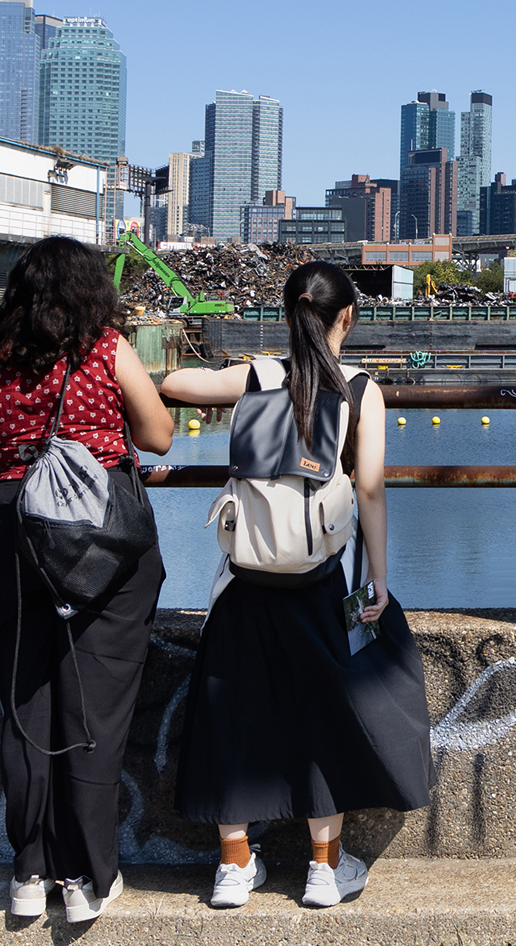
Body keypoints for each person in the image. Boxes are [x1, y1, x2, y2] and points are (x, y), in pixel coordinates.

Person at [162, 261, 435, 910]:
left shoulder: (257, 376)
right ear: (348, 318)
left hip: (246, 578)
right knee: (324, 717)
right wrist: (379, 578)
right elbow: (369, 490)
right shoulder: (362, 388)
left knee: (231, 716)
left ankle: (233, 867)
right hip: (316, 583)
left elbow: (174, 380)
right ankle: (323, 868)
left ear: (289, 315)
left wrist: (238, 375)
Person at [0, 236, 173, 923]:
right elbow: (160, 435)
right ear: (91, 293)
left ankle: (28, 870)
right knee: (95, 710)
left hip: (14, 536)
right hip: (101, 543)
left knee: (26, 705)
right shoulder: (106, 350)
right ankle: (84, 875)